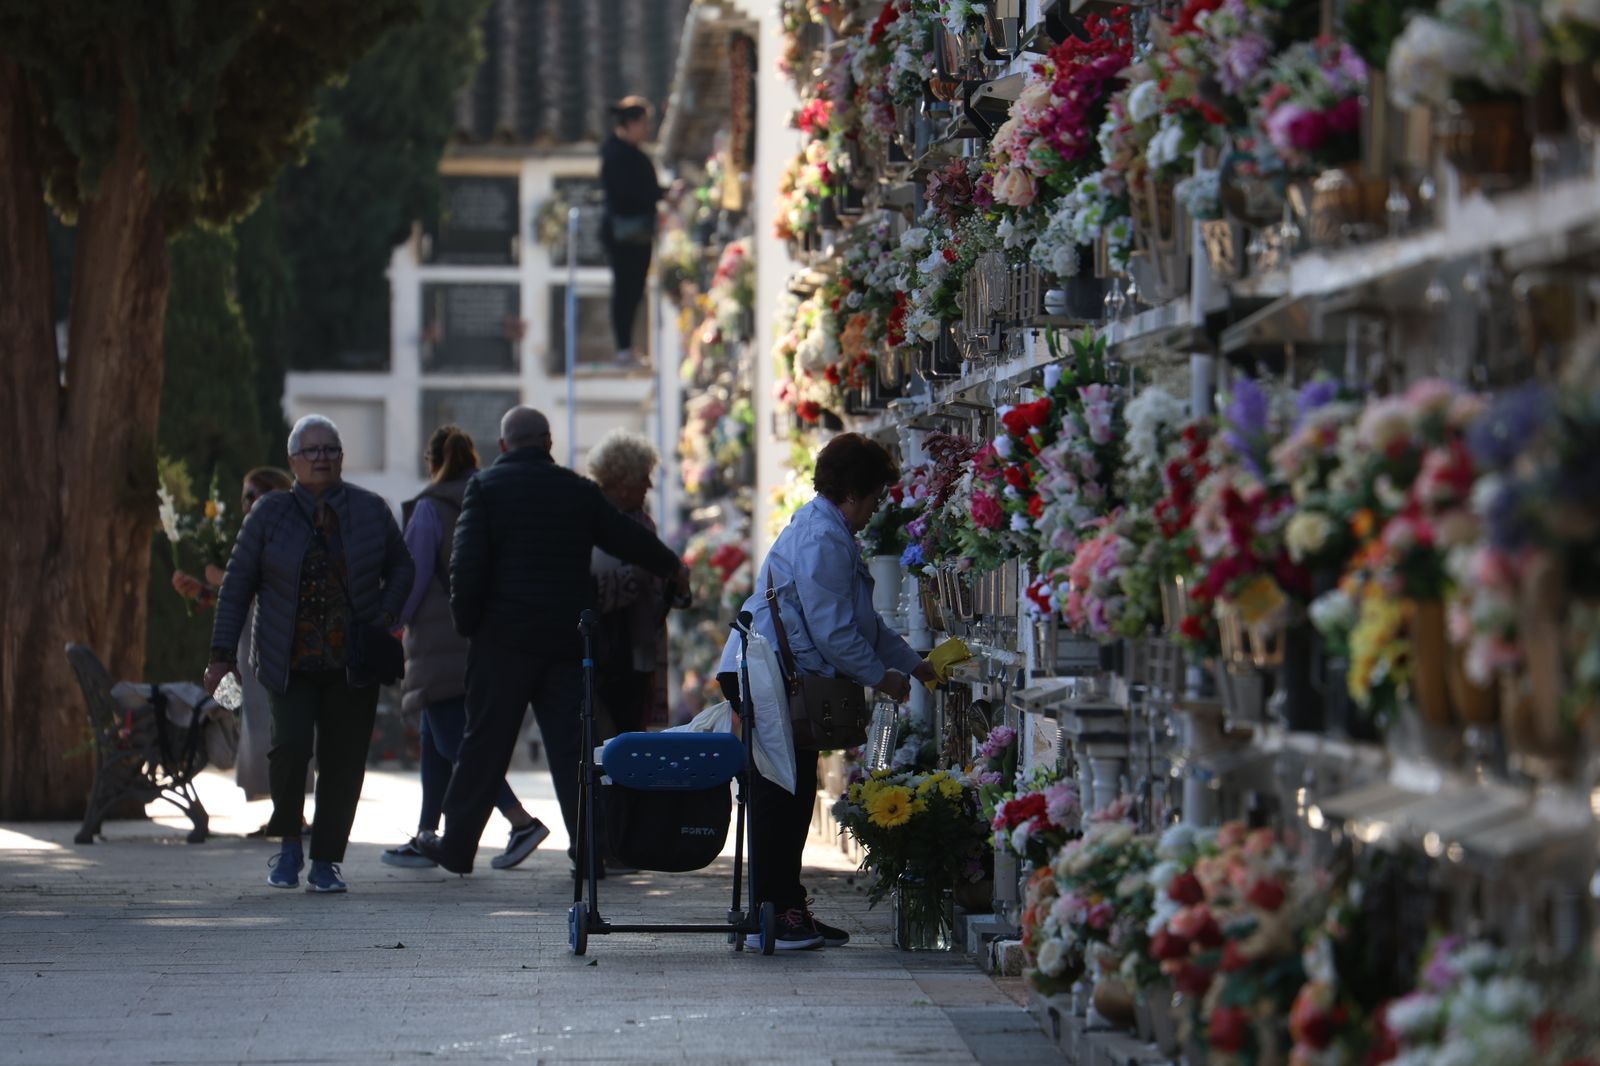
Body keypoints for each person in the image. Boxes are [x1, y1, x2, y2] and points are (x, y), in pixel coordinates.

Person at [412, 406, 691, 876]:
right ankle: (590, 852)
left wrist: (468, 624)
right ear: (548, 444)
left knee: (484, 744)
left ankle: (458, 846)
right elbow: (627, 537)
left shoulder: (484, 489)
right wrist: (672, 566)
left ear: (503, 447)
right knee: (572, 750)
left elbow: (467, 565)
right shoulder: (576, 490)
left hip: (501, 642)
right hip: (566, 642)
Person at [717, 433, 935, 951]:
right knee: (780, 796)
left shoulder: (829, 531)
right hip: (772, 677)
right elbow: (834, 633)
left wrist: (916, 665)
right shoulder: (822, 537)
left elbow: (865, 626)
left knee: (791, 795)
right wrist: (884, 679)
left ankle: (786, 909)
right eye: (877, 496)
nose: (875, 509)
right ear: (856, 492)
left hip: (782, 677)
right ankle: (773, 916)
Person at [205, 415, 415, 893]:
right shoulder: (269, 514)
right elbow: (236, 586)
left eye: (331, 450)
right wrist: (221, 655)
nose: (322, 458)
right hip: (288, 660)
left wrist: (386, 612)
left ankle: (326, 861)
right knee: (289, 748)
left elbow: (402, 565)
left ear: (342, 458)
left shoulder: (368, 509)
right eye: (312, 450)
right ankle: (289, 846)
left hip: (353, 660)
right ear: (293, 461)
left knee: (343, 761)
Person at [383, 426, 550, 871]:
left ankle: (520, 821)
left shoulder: (429, 508)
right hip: (485, 636)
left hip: (438, 641)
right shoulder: (491, 498)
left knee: (460, 744)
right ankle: (427, 835)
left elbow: (413, 577)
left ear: (431, 463)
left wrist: (391, 622)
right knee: (440, 743)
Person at [172, 468, 307, 813]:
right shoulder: (257, 534)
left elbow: (264, 586)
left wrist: (222, 578)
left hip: (280, 647)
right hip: (253, 648)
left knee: (280, 730)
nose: (246, 505)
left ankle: (291, 813)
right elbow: (240, 598)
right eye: (244, 497)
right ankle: (283, 811)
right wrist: (204, 590)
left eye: (251, 496)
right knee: (259, 729)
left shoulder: (288, 532)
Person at [587, 429, 671, 739]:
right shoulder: (592, 521)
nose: (649, 485)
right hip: (607, 651)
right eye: (643, 477)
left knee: (633, 730)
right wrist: (642, 575)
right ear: (622, 483)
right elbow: (591, 587)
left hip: (640, 652)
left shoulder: (643, 522)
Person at [600, 95, 663, 365]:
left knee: (634, 291)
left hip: (636, 234)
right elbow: (628, 193)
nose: (647, 131)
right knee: (625, 290)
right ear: (632, 123)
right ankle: (623, 347)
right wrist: (656, 196)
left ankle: (626, 346)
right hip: (624, 235)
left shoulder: (628, 153)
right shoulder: (616, 154)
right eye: (643, 124)